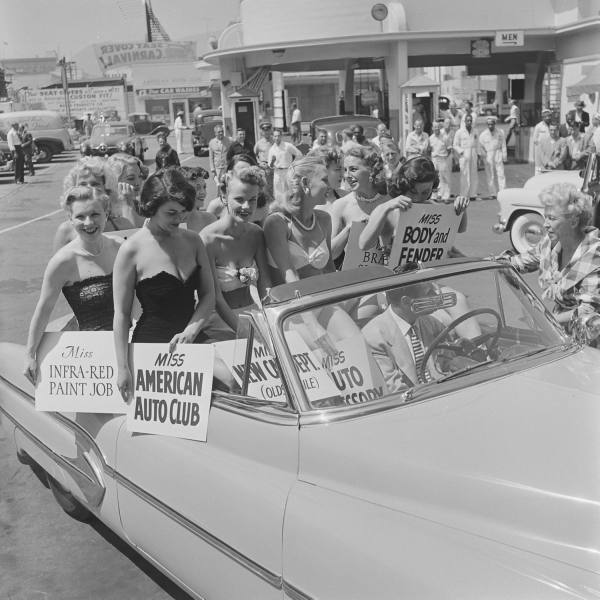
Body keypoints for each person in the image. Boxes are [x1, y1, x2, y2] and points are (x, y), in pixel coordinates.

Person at [113, 167, 216, 399]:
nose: (179, 219)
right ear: (151, 206)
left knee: (229, 383)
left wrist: (190, 331)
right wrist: (122, 368)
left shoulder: (193, 241)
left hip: (193, 338)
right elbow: (121, 314)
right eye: (171, 213)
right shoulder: (131, 249)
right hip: (151, 349)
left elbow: (209, 295)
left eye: (183, 212)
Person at [23, 186, 121, 384]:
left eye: (95, 214)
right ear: (70, 218)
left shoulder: (121, 247)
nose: (89, 222)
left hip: (130, 345)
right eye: (80, 216)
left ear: (106, 213)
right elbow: (44, 310)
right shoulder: (62, 262)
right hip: (92, 356)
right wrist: (30, 355)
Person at [506, 182, 600, 346]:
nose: (545, 224)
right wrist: (491, 263)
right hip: (559, 334)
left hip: (591, 336)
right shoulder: (549, 244)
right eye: (545, 217)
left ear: (573, 221)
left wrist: (544, 321)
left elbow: (587, 311)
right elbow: (519, 262)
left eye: (552, 218)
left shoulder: (594, 256)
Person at [201, 166, 271, 336]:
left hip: (252, 315)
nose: (246, 206)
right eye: (239, 199)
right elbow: (214, 297)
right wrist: (243, 330)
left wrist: (270, 318)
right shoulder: (207, 239)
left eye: (252, 199)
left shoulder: (256, 234)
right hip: (219, 321)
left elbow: (265, 284)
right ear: (224, 197)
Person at [359, 156, 469, 257]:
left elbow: (460, 228)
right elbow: (364, 244)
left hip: (426, 275)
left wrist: (461, 207)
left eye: (425, 192)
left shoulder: (432, 207)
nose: (417, 198)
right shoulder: (390, 211)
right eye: (413, 192)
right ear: (403, 185)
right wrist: (385, 208)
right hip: (395, 275)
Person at [362, 281, 446, 392]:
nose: (435, 296)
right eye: (429, 292)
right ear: (406, 301)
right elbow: (394, 388)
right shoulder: (373, 337)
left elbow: (449, 364)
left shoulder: (432, 323)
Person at [264, 155, 335, 284]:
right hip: (292, 301)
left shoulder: (324, 219)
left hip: (324, 297)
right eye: (324, 180)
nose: (330, 186)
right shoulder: (277, 223)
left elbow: (329, 270)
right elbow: (289, 275)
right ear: (305, 183)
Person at [53, 158, 134, 250]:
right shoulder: (66, 231)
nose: (89, 189)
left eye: (95, 184)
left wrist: (129, 203)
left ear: (106, 188)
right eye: (83, 184)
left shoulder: (123, 225)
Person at [330, 146, 389, 264]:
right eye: (344, 170)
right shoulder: (341, 205)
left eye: (353, 169)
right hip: (358, 278)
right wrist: (348, 229)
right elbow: (331, 254)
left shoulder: (390, 201)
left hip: (389, 276)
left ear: (371, 170)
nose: (346, 176)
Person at [106, 153, 149, 227]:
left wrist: (128, 202)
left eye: (139, 176)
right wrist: (126, 203)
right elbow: (129, 233)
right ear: (113, 180)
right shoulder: (104, 208)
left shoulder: (140, 205)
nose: (137, 182)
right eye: (131, 178)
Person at [176, 166, 216, 233]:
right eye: (197, 188)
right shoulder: (171, 225)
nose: (203, 192)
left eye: (204, 187)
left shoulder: (210, 219)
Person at [268, 128, 302, 204]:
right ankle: (281, 208)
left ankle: (292, 206)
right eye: (275, 136)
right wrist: (273, 161)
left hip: (288, 171)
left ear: (281, 136)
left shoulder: (288, 146)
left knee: (290, 190)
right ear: (273, 137)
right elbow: (270, 165)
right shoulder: (272, 149)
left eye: (278, 136)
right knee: (278, 193)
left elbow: (299, 154)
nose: (277, 138)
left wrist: (293, 164)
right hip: (277, 172)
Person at [478, 116, 507, 199]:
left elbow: (503, 144)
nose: (490, 126)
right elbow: (479, 146)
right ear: (487, 125)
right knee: (490, 175)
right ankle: (493, 193)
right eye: (489, 124)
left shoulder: (500, 132)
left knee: (501, 173)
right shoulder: (483, 135)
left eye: (492, 124)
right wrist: (483, 155)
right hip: (488, 154)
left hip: (498, 153)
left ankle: (503, 192)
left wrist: (504, 155)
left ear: (495, 124)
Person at [453, 114, 479, 200]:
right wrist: (461, 151)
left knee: (473, 174)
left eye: (470, 120)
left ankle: (473, 194)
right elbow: (455, 145)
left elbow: (477, 143)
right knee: (464, 174)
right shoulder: (459, 132)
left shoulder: (475, 131)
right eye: (467, 120)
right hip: (464, 154)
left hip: (473, 153)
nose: (469, 122)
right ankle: (464, 194)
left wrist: (478, 154)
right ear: (464, 121)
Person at [429, 121, 452, 202]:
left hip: (443, 158)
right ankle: (437, 195)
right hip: (435, 159)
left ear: (440, 128)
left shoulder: (445, 137)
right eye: (435, 127)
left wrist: (445, 156)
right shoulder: (431, 138)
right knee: (436, 178)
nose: (436, 128)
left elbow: (449, 149)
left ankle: (446, 197)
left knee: (445, 178)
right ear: (432, 128)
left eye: (438, 127)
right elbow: (430, 149)